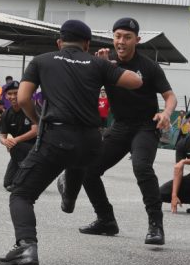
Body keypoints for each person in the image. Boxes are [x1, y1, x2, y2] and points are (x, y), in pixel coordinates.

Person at [0, 19, 143, 265]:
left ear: (59, 42)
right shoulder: (97, 63)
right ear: (87, 44)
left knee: (21, 195)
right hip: (91, 141)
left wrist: (38, 121)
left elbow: (23, 98)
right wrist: (108, 65)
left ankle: (25, 247)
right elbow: (136, 81)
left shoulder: (42, 60)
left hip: (57, 136)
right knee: (78, 160)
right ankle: (69, 198)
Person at [65, 17, 177, 245]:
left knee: (142, 167)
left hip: (146, 126)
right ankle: (106, 220)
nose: (121, 41)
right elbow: (85, 87)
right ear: (112, 38)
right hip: (120, 126)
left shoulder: (149, 66)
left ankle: (156, 225)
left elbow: (170, 96)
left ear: (137, 39)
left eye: (127, 37)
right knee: (89, 170)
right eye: (117, 36)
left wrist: (166, 113)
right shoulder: (105, 61)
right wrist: (101, 67)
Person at [0, 81, 37, 191]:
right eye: (10, 94)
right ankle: (26, 176)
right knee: (7, 184)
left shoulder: (30, 107)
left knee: (15, 146)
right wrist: (5, 141)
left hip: (37, 148)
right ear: (6, 96)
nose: (13, 96)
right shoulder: (6, 114)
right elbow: (2, 136)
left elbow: (36, 131)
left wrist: (15, 140)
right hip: (19, 149)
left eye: (16, 93)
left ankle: (27, 176)